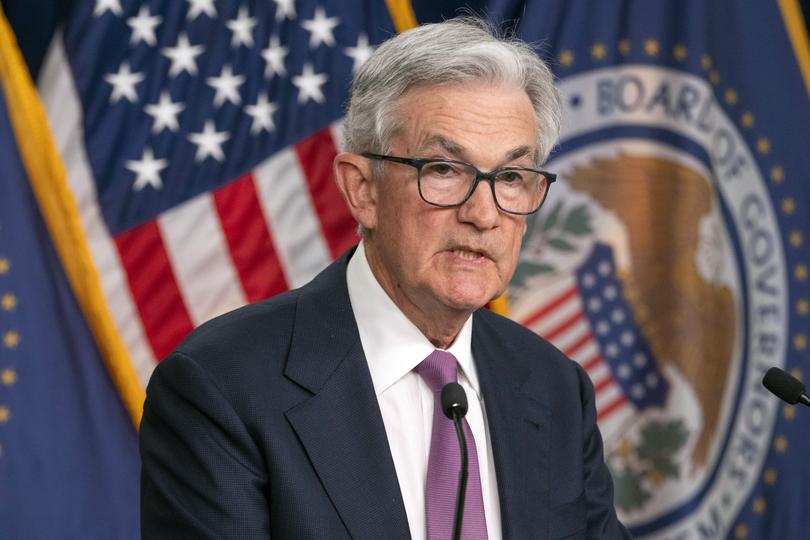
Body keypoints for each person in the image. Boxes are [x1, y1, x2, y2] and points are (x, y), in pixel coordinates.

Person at [140, 17, 630, 540]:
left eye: (511, 178)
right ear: (362, 191)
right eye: (444, 169)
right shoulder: (221, 387)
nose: (484, 214)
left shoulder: (554, 386)